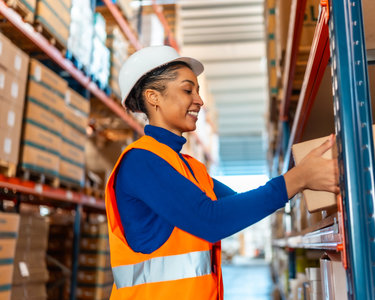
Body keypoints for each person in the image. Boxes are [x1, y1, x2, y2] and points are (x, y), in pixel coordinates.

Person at [105, 45, 339, 300]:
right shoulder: (141, 162)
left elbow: (236, 206)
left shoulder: (190, 167)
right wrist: (298, 178)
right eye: (187, 90)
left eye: (197, 90)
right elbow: (211, 221)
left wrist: (303, 177)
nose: (199, 100)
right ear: (153, 97)